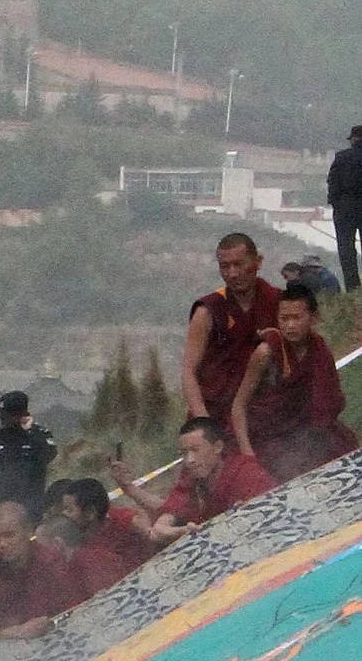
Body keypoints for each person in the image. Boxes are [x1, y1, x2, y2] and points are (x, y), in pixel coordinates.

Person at [231, 279, 355, 480]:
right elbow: (239, 405)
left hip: (312, 433)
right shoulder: (266, 352)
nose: (290, 326)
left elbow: (328, 401)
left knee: (345, 450)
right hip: (271, 439)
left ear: (314, 317)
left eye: (296, 318)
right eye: (284, 319)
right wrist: (248, 455)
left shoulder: (319, 348)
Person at [0, 498, 87, 661]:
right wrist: (15, 632)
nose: (2, 544)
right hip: (1, 660)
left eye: (9, 535)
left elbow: (76, 610)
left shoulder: (50, 561)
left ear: (28, 531)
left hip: (56, 649)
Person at [183, 231, 282, 421]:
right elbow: (189, 371)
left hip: (267, 413)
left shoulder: (279, 303)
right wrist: (203, 420)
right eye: (225, 267)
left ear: (258, 262)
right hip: (217, 413)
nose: (233, 274)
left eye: (239, 264)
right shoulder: (208, 311)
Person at [144, 414, 276, 540]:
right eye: (184, 453)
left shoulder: (246, 472)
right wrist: (181, 532)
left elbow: (269, 514)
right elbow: (159, 529)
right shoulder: (190, 479)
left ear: (218, 447)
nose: (189, 460)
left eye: (195, 450)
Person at [43, 474, 155, 596]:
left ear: (90, 513)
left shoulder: (127, 529)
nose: (64, 515)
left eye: (69, 510)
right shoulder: (71, 542)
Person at [0, 388, 57, 518]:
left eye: (6, 416)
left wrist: (30, 430)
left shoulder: (39, 435)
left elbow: (49, 454)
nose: (3, 420)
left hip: (29, 509)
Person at [332, 124, 362, 297]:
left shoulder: (342, 157)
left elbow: (333, 184)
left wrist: (337, 205)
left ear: (354, 139)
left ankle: (353, 287)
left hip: (345, 207)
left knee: (346, 249)